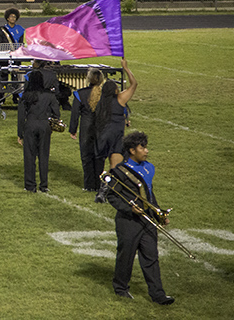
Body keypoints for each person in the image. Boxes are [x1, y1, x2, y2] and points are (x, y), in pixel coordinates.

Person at [108, 131, 175, 305]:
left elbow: (149, 194)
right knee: (126, 257)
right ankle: (121, 288)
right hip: (128, 222)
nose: (146, 151)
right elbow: (112, 196)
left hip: (147, 220)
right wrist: (129, 208)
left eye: (145, 147)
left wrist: (159, 214)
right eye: (142, 148)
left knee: (151, 256)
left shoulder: (149, 167)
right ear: (132, 150)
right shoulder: (119, 172)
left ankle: (158, 294)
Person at [94, 58, 137, 203]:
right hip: (115, 137)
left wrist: (124, 120)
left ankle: (109, 190)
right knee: (115, 166)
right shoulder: (119, 99)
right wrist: (126, 68)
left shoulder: (101, 103)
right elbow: (134, 85)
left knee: (113, 164)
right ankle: (103, 192)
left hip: (102, 137)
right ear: (115, 90)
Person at [17, 71, 60, 193]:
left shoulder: (25, 96)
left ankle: (30, 185)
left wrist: (20, 134)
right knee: (43, 155)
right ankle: (44, 185)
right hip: (44, 125)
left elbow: (21, 117)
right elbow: (57, 113)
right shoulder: (49, 95)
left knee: (29, 156)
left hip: (30, 125)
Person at [69, 68, 105, 193]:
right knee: (99, 157)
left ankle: (89, 185)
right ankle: (99, 184)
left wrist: (72, 129)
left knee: (86, 157)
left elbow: (75, 114)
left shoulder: (80, 94)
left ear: (88, 79)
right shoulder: (105, 94)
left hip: (86, 128)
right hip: (102, 129)